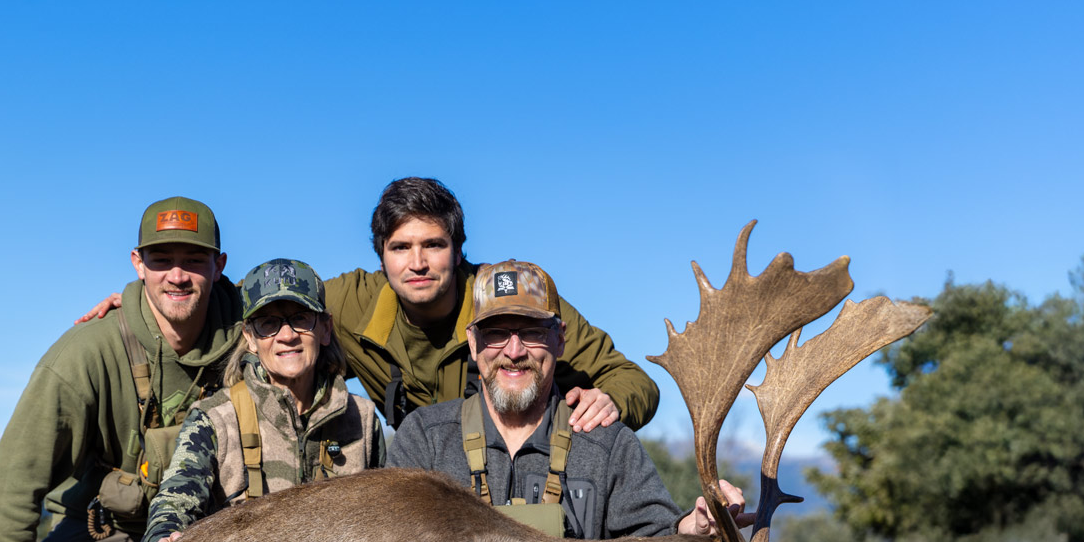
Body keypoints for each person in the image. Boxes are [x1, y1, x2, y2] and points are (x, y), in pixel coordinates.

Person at [76, 177, 658, 433]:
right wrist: (154, 301)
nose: (419, 262)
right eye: (401, 248)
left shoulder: (513, 302)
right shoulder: (347, 301)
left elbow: (635, 381)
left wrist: (612, 400)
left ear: (459, 250)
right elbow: (272, 309)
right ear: (380, 256)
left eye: (434, 245)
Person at [0, 196, 241, 542]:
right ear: (137, 264)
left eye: (194, 260)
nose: (178, 276)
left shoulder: (254, 334)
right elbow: (8, 486)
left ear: (219, 266)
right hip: (107, 529)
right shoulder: (83, 355)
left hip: (210, 531)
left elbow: (316, 317)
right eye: (161, 260)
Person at [387, 259, 751, 540]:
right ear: (472, 343)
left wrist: (692, 528)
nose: (514, 351)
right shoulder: (425, 440)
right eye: (496, 333)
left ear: (560, 339)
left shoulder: (606, 443)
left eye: (531, 332)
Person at [135, 258, 384, 542]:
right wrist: (164, 538)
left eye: (301, 318)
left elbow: (384, 524)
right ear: (250, 338)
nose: (287, 335)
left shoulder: (363, 418)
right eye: (269, 323)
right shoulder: (214, 419)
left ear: (326, 329)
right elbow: (173, 505)